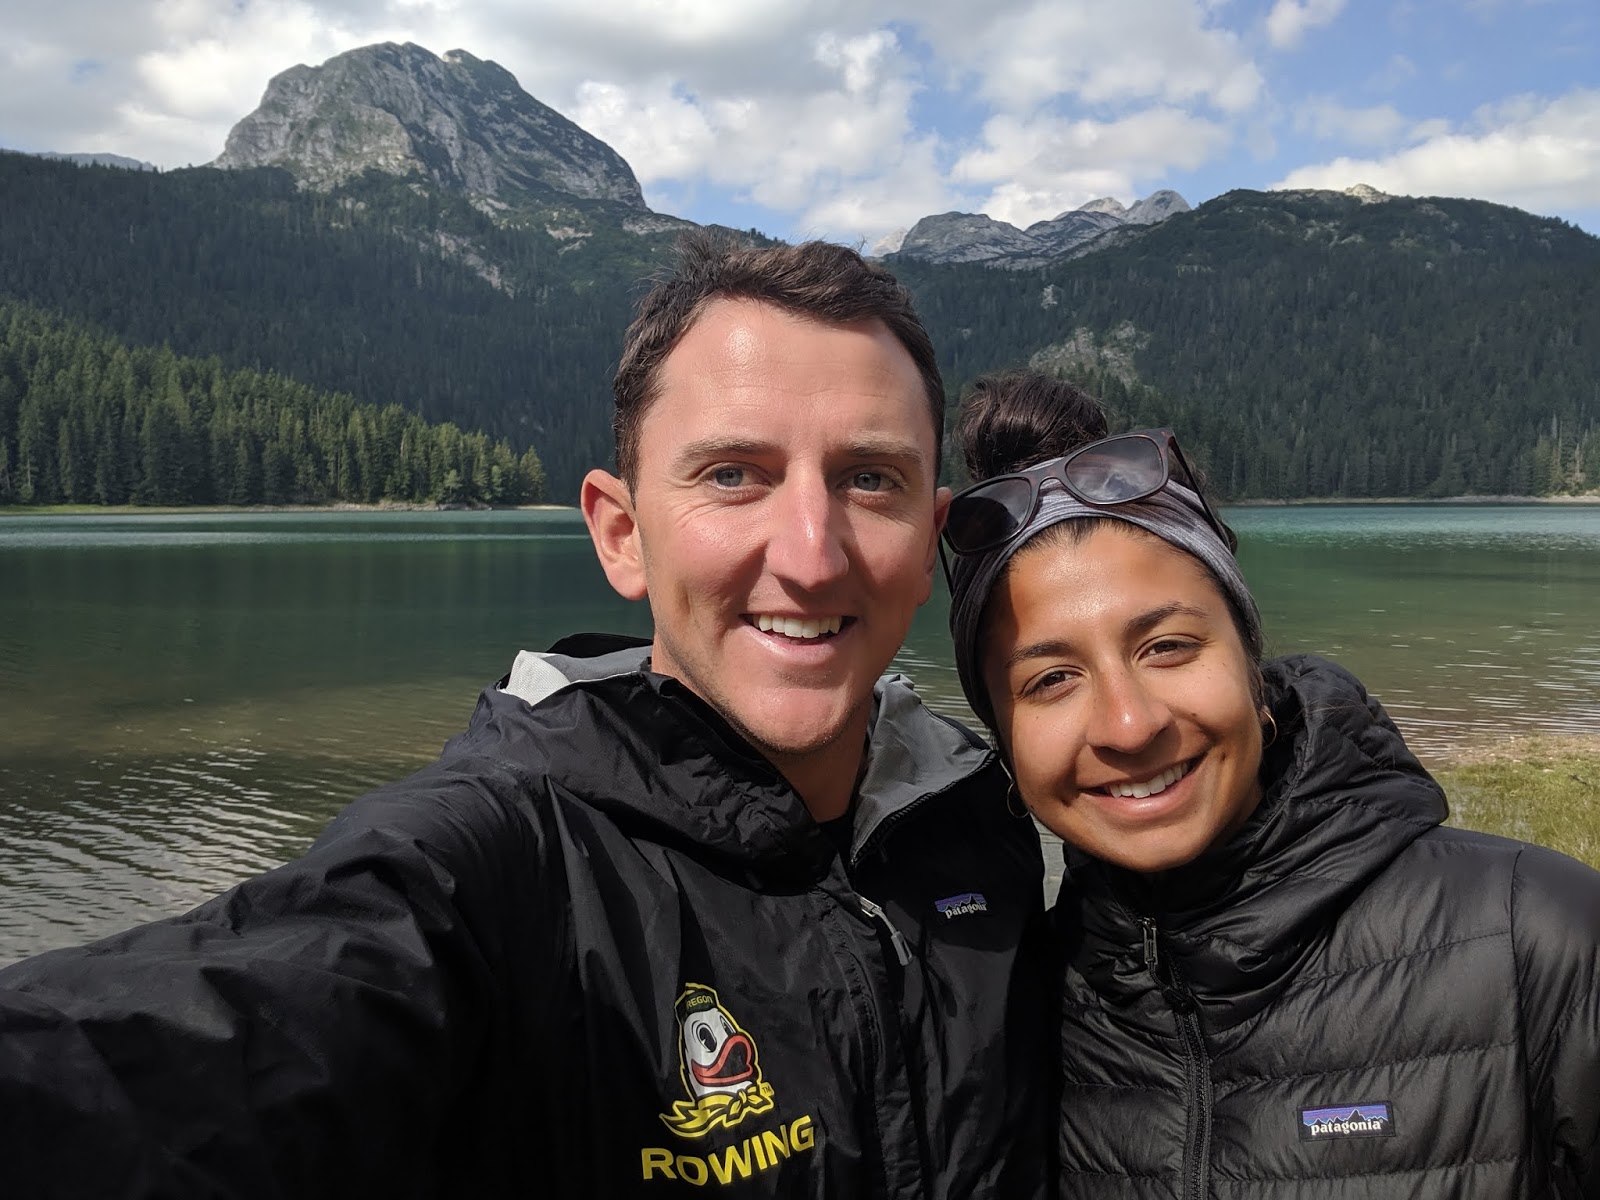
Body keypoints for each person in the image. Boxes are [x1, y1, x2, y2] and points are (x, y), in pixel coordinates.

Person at [0, 237, 1051, 1198]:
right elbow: (224, 1034)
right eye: (734, 476)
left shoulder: (980, 810)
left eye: (869, 479)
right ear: (622, 534)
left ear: (930, 541)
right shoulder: (501, 864)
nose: (812, 556)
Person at [941, 369, 1600, 1197]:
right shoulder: (1017, 1007)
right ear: (1005, 741)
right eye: (1050, 681)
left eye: (1168, 647)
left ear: (1252, 665)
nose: (1129, 725)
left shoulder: (1538, 938)